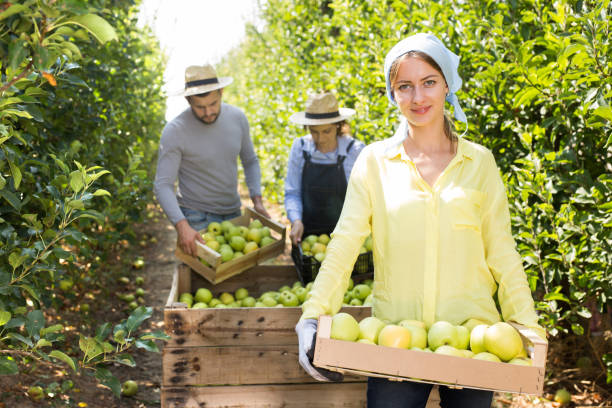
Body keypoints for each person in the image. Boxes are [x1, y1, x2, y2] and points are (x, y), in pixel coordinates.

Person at [295, 33, 547, 407]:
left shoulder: (479, 163)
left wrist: (526, 326)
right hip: (395, 340)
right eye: (405, 86)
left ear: (447, 84)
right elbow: (344, 243)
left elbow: (502, 252)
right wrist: (313, 316)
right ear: (392, 94)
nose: (418, 97)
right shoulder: (374, 163)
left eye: (429, 82)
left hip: (474, 339)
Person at [154, 64, 269, 257]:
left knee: (236, 278)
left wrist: (257, 200)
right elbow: (163, 185)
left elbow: (250, 160)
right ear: (188, 99)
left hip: (234, 213)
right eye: (200, 107)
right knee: (202, 278)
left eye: (213, 104)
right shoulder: (175, 131)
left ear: (221, 92)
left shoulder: (237, 119)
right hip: (196, 216)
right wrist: (182, 225)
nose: (208, 112)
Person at [285, 92, 364, 245]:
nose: (320, 139)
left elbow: (363, 198)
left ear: (338, 126)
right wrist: (296, 221)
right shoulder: (300, 148)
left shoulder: (354, 151)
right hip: (308, 237)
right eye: (314, 132)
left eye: (326, 131)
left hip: (346, 237)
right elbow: (292, 192)